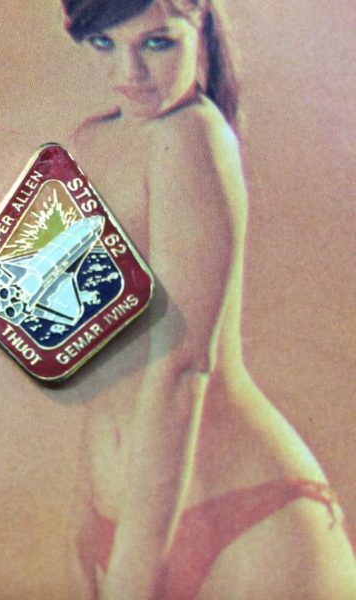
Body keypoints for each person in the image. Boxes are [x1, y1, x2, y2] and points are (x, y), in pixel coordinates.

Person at [61, 1, 356, 598]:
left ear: (199, 24)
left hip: (246, 519)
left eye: (156, 43)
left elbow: (181, 367)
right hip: (122, 517)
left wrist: (130, 579)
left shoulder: (192, 135)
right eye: (104, 44)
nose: (129, 74)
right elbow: (90, 359)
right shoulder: (87, 143)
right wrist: (85, 523)